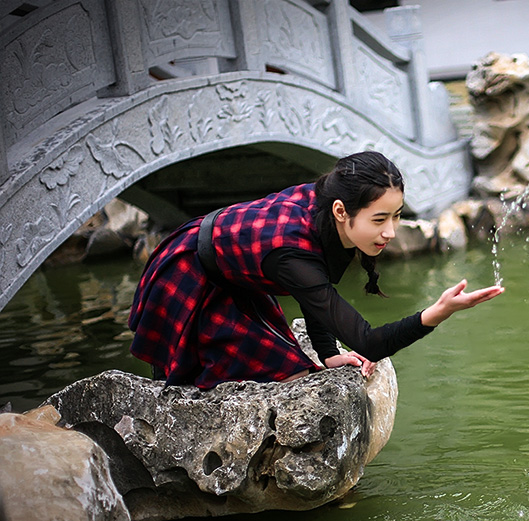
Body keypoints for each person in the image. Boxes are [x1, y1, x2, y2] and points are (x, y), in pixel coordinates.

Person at [128, 151, 503, 389]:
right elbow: (369, 342)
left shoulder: (327, 206)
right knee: (272, 373)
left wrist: (326, 352)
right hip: (190, 271)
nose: (390, 231)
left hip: (235, 269)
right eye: (379, 219)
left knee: (293, 364)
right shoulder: (293, 253)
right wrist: (438, 312)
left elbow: (317, 290)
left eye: (396, 216)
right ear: (341, 211)